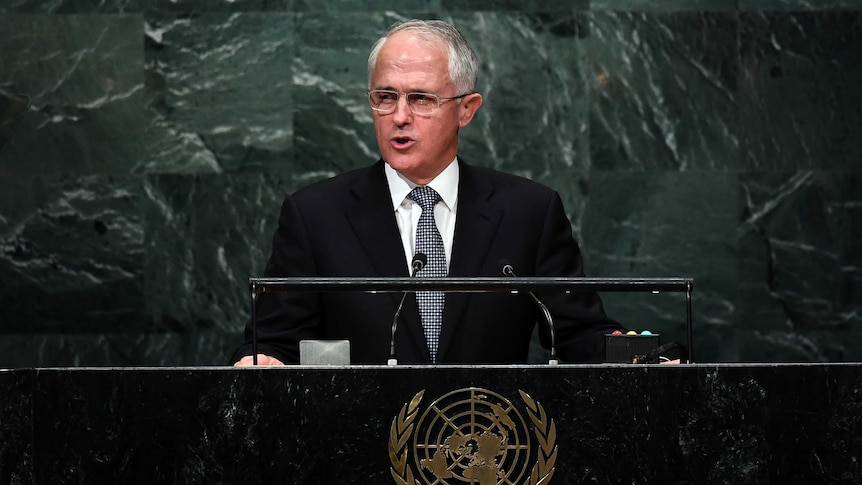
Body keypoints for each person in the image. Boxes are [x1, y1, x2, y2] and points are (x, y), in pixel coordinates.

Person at [231, 19, 623, 366]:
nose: (400, 116)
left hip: (486, 439)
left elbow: (579, 333)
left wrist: (639, 357)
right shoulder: (315, 215)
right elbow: (273, 343)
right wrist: (261, 361)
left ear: (466, 109)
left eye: (420, 99)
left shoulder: (528, 212)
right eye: (385, 97)